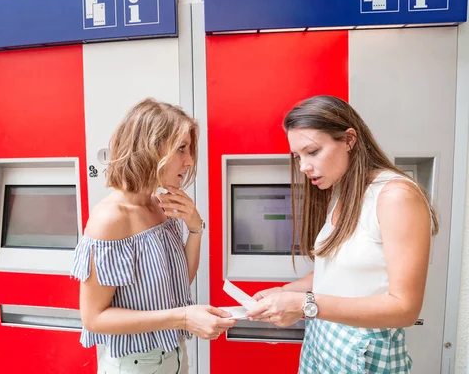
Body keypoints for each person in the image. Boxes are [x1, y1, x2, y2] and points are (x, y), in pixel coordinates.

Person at [245, 95, 438, 373]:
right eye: (297, 157)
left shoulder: (396, 196)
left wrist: (303, 304)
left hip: (365, 352)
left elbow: (405, 308)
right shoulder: (339, 189)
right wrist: (283, 293)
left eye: (312, 152)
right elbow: (334, 270)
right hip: (322, 341)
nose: (303, 167)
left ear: (349, 140)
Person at [72, 98, 236, 374]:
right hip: (135, 365)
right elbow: (93, 318)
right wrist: (183, 317)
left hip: (174, 356)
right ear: (150, 149)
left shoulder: (159, 204)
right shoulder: (110, 219)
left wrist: (195, 229)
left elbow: (179, 281)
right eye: (181, 149)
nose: (190, 160)